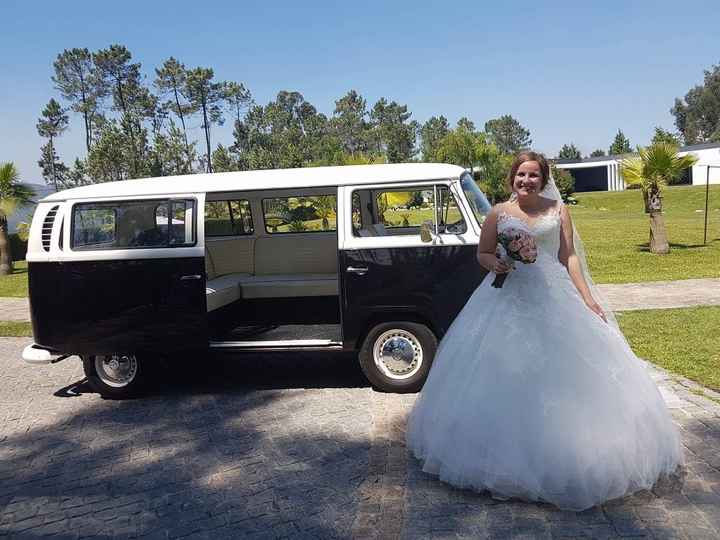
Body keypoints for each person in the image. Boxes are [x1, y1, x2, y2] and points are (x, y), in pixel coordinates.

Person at [406, 151, 684, 511]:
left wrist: (587, 299)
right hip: (505, 298)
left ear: (543, 178)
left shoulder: (558, 210)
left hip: (554, 295)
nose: (527, 180)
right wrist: (500, 263)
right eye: (521, 174)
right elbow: (483, 253)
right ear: (512, 178)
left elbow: (568, 257)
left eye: (534, 175)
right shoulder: (498, 213)